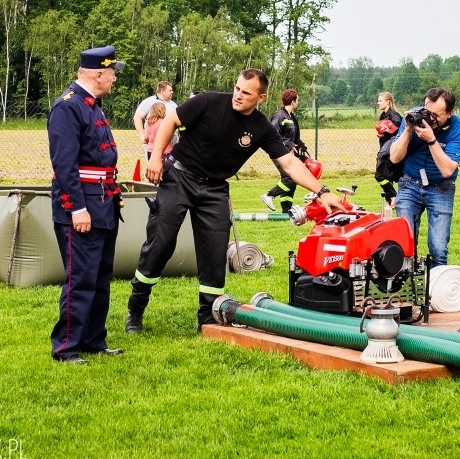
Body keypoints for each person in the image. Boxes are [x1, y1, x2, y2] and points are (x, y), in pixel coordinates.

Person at [125, 69, 344, 333]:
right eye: (237, 88)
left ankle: (207, 319)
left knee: (215, 254)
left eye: (246, 93)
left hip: (215, 190)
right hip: (180, 176)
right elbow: (171, 120)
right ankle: (135, 310)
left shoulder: (261, 127)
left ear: (261, 97)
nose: (238, 96)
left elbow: (288, 162)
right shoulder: (208, 102)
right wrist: (156, 158)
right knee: (161, 243)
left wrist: (322, 191)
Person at [47, 45, 126, 365]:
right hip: (83, 205)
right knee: (80, 277)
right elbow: (64, 166)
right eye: (112, 73)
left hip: (104, 201)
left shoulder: (91, 104)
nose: (115, 78)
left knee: (100, 275)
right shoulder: (68, 107)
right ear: (97, 74)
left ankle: (94, 340)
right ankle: (66, 347)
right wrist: (76, 208)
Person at [389, 87, 460, 268]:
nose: (429, 118)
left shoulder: (459, 130)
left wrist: (431, 140)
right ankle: (406, 292)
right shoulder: (415, 117)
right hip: (409, 183)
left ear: (449, 113)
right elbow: (394, 157)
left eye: (436, 115)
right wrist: (408, 129)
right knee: (405, 243)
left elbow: (447, 170)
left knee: (438, 248)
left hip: (441, 187)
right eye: (427, 111)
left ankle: (436, 293)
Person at [260, 89, 306, 213]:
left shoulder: (291, 117)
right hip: (278, 152)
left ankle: (286, 210)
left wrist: (301, 146)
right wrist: (288, 144)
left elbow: (294, 137)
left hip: (287, 153)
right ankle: (269, 195)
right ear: (293, 101)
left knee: (291, 180)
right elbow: (272, 133)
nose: (298, 102)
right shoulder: (280, 115)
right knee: (291, 178)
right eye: (298, 100)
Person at [134, 81, 178, 155]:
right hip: (153, 144)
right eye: (170, 90)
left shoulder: (173, 105)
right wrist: (142, 135)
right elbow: (137, 117)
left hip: (170, 144)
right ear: (162, 91)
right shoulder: (149, 101)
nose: (172, 92)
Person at [375, 92, 403, 206]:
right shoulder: (382, 116)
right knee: (386, 176)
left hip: (391, 152)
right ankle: (391, 201)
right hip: (384, 149)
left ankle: (394, 197)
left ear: (388, 101)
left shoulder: (395, 116)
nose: (378, 103)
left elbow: (400, 134)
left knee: (379, 175)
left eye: (380, 101)